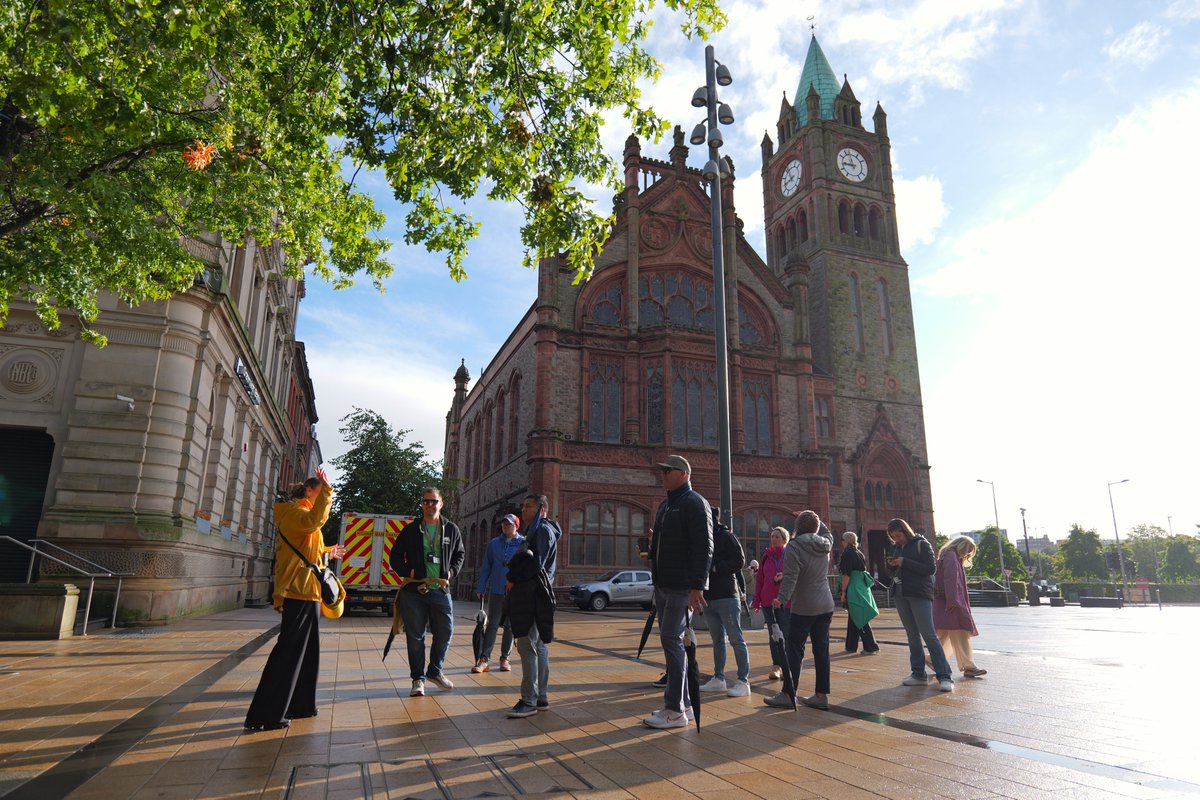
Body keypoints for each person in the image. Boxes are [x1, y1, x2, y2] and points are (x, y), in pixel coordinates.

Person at [244, 467, 345, 731]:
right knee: (288, 653)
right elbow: (313, 522)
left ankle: (300, 705)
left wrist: (327, 551)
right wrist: (329, 491)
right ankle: (266, 714)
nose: (323, 496)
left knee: (308, 652)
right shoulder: (293, 513)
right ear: (310, 491)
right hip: (298, 591)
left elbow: (307, 546)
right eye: (320, 491)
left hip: (309, 590)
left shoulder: (300, 516)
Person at [643, 455, 713, 730]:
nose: (662, 476)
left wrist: (697, 585)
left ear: (683, 473)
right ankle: (683, 703)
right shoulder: (666, 506)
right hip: (664, 583)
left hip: (681, 586)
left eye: (667, 471)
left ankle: (674, 710)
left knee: (672, 641)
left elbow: (704, 546)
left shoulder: (695, 503)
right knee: (670, 642)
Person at [392, 487, 465, 698]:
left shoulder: (451, 529)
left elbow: (460, 554)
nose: (430, 505)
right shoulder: (412, 529)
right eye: (426, 502)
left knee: (445, 632)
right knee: (416, 637)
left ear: (441, 504)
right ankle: (418, 679)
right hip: (415, 591)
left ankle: (435, 671)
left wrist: (452, 572)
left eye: (434, 501)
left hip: (440, 589)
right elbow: (395, 555)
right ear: (421, 504)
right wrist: (408, 572)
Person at [767, 510, 835, 711]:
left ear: (797, 527)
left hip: (804, 605)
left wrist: (781, 599)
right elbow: (828, 533)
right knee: (821, 650)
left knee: (795, 650)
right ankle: (821, 695)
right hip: (826, 604)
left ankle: (788, 694)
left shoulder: (794, 547)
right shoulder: (826, 543)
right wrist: (817, 520)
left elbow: (790, 577)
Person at [505, 494, 561, 718]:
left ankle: (529, 700)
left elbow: (535, 564)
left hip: (534, 594)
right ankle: (540, 697)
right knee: (538, 646)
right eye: (523, 506)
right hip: (532, 593)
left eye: (528, 506)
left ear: (542, 510)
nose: (524, 510)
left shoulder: (543, 530)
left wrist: (513, 577)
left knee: (527, 645)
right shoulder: (535, 530)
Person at [886, 517, 954, 692]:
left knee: (929, 635)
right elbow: (893, 571)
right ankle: (918, 674)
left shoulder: (921, 544)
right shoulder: (896, 547)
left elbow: (930, 568)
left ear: (905, 530)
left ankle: (945, 676)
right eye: (893, 536)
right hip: (900, 593)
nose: (896, 539)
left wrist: (904, 562)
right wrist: (892, 565)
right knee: (912, 635)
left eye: (898, 535)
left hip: (918, 593)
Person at [699, 509, 751, 697]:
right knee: (718, 640)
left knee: (736, 638)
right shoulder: (703, 538)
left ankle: (743, 681)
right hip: (709, 596)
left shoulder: (726, 536)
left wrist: (717, 568)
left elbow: (740, 560)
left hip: (727, 595)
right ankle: (719, 678)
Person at [473, 513, 524, 673]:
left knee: (509, 626)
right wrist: (481, 587)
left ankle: (505, 658)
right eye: (504, 524)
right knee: (492, 625)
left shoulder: (523, 543)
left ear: (516, 526)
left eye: (509, 524)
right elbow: (486, 566)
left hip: (515, 592)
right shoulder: (494, 544)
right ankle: (484, 659)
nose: (505, 526)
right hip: (496, 590)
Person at [934, 536, 986, 678]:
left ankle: (933, 659)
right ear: (961, 545)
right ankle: (969, 666)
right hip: (953, 603)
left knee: (947, 635)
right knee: (962, 633)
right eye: (968, 550)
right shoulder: (952, 557)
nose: (968, 554)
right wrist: (953, 601)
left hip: (946, 602)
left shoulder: (947, 556)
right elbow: (951, 580)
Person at [752, 526, 791, 681]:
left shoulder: (789, 555)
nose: (774, 539)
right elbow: (759, 580)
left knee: (785, 634)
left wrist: (784, 576)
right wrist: (756, 601)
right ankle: (776, 666)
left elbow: (797, 574)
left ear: (784, 539)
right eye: (772, 536)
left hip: (784, 601)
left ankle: (786, 664)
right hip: (768, 601)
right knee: (773, 634)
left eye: (777, 536)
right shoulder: (766, 556)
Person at [838, 531, 879, 654]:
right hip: (862, 588)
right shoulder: (859, 553)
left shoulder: (847, 555)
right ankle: (851, 646)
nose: (841, 542)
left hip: (853, 588)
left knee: (859, 616)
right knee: (854, 616)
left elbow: (846, 575)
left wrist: (843, 592)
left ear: (847, 541)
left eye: (842, 539)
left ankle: (871, 646)